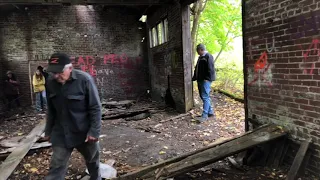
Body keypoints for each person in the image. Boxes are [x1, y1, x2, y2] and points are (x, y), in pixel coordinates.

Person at [44, 53, 102, 180]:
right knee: (56, 166)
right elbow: (51, 109)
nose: (56, 76)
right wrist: (48, 131)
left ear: (70, 68)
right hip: (61, 133)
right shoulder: (50, 82)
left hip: (84, 132)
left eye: (59, 72)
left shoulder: (84, 80)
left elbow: (95, 107)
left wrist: (94, 132)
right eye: (53, 72)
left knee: (93, 162)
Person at [192, 44, 216, 123]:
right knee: (203, 96)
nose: (197, 52)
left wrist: (207, 78)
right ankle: (210, 112)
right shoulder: (200, 57)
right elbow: (197, 68)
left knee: (205, 96)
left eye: (197, 51)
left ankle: (205, 115)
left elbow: (211, 69)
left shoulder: (208, 56)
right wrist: (194, 77)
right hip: (200, 79)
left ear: (201, 50)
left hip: (205, 80)